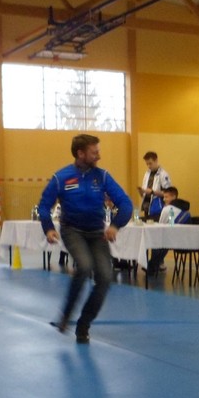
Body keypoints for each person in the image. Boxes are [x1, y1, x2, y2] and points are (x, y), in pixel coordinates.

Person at [37, 134, 133, 344]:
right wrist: (48, 228)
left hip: (97, 233)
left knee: (105, 277)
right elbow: (43, 206)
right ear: (80, 153)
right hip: (72, 231)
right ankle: (66, 313)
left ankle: (84, 323)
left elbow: (126, 204)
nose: (99, 155)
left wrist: (115, 225)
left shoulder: (103, 176)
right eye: (94, 152)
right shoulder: (61, 177)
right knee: (84, 265)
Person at [145, 187, 192, 275]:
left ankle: (152, 265)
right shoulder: (185, 209)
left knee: (156, 240)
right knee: (164, 240)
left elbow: (160, 225)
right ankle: (155, 264)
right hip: (186, 241)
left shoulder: (167, 209)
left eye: (166, 197)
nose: (164, 199)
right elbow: (171, 224)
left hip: (172, 241)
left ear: (174, 197)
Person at [137, 151, 171, 221]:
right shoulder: (147, 174)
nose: (149, 166)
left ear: (156, 161)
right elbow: (145, 193)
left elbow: (168, 193)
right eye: (147, 164)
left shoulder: (163, 174)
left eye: (150, 163)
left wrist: (152, 192)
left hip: (157, 208)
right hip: (147, 207)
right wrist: (142, 192)